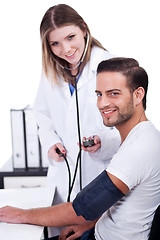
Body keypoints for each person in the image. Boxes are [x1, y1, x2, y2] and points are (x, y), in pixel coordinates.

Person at [1, 57, 160, 240]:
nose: (102, 103)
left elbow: (81, 209)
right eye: (99, 94)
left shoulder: (139, 148)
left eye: (113, 93)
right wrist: (91, 223)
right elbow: (122, 204)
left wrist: (22, 215)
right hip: (98, 231)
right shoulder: (141, 136)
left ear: (138, 95)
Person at [33, 4, 120, 237]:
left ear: (83, 29)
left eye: (70, 37)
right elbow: (42, 113)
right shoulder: (51, 69)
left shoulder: (111, 66)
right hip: (64, 179)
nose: (66, 49)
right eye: (55, 43)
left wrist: (103, 141)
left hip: (101, 176)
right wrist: (50, 142)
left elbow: (128, 124)